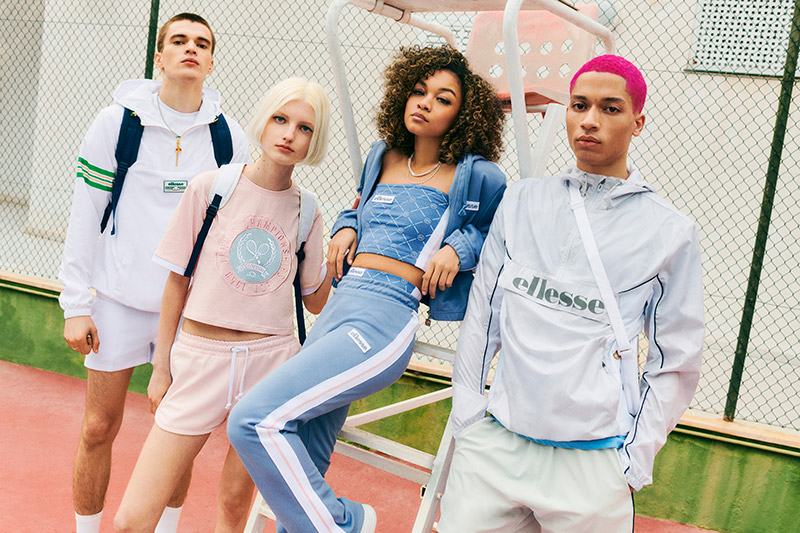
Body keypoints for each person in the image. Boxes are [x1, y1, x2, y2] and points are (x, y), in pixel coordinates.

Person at [227, 45, 506, 533]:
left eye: (443, 99)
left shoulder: (475, 175)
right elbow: (361, 207)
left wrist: (460, 247)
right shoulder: (382, 156)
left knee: (253, 420)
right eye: (419, 91)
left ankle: (347, 523)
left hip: (385, 319)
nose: (425, 103)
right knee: (303, 448)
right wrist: (346, 225)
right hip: (339, 306)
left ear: (463, 116)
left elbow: (499, 233)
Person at [437, 54, 705, 533]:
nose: (589, 120)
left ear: (638, 122)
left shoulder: (669, 231)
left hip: (594, 463)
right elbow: (483, 317)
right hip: (496, 445)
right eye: (579, 105)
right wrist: (468, 417)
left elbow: (676, 359)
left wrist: (635, 460)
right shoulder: (521, 200)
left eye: (610, 108)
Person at [57, 13, 250, 533]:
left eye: (202, 43)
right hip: (116, 303)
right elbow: (84, 217)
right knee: (99, 428)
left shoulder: (229, 138)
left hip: (189, 311)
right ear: (159, 58)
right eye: (179, 41)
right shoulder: (115, 125)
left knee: (177, 435)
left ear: (212, 62)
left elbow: (233, 229)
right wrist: (76, 304)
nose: (191, 49)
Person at [113, 78, 333, 532]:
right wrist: (161, 368)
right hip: (200, 358)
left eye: (305, 128)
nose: (289, 134)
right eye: (280, 119)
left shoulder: (308, 210)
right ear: (263, 121)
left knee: (234, 508)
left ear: (315, 140)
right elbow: (177, 282)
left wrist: (348, 247)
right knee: (132, 519)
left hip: (272, 363)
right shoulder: (211, 188)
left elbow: (314, 301)